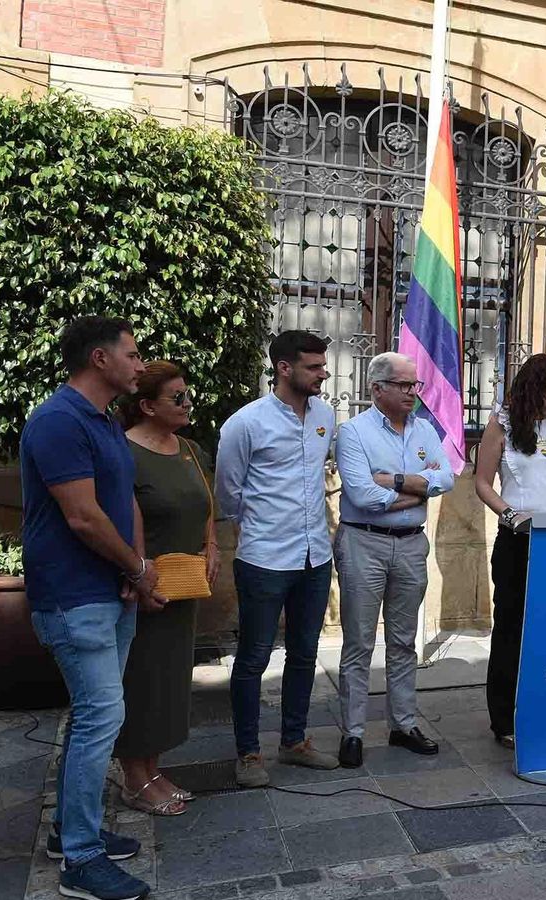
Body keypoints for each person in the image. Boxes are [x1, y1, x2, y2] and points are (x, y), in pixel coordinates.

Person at [21, 317, 153, 900]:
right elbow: (81, 516)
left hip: (111, 592)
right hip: (75, 598)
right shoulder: (57, 421)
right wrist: (132, 568)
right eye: (133, 353)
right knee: (101, 716)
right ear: (99, 359)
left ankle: (66, 832)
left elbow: (122, 499)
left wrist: (136, 568)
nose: (141, 363)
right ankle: (80, 858)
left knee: (95, 716)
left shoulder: (104, 422)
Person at [216, 330, 340, 787]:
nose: (323, 373)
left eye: (323, 365)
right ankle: (248, 753)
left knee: (305, 654)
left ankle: (294, 742)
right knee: (253, 658)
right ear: (284, 368)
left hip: (314, 556)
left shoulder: (325, 415)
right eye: (314, 366)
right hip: (265, 558)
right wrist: (260, 525)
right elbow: (228, 492)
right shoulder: (245, 424)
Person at [333, 352, 455, 768]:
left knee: (403, 641)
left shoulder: (424, 430)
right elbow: (363, 497)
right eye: (403, 385)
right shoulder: (353, 433)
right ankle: (352, 732)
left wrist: (396, 481)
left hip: (409, 543)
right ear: (377, 388)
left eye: (415, 385)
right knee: (359, 642)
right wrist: (420, 489)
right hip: (362, 543)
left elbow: (448, 478)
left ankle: (403, 724)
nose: (412, 392)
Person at [115, 361, 217, 817]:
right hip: (144, 586)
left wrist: (211, 544)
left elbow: (205, 503)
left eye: (187, 393)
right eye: (176, 397)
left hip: (184, 584)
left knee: (171, 682)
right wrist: (136, 573)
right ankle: (134, 779)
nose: (187, 401)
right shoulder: (123, 452)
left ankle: (153, 771)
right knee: (141, 681)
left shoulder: (190, 449)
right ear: (146, 406)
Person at [473, 354, 546, 746]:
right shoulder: (501, 424)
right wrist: (510, 515)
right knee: (512, 629)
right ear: (534, 384)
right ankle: (504, 719)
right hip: (520, 540)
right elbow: (482, 482)